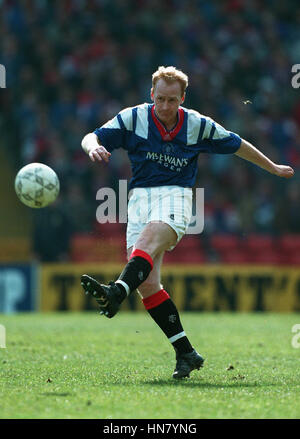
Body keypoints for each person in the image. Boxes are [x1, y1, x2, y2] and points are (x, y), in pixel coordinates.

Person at [80, 66, 294, 379]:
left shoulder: (197, 124)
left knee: (149, 242)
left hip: (176, 197)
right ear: (152, 94)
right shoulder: (133, 118)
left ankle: (116, 292)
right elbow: (92, 136)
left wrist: (272, 167)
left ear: (183, 98)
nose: (166, 106)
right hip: (138, 199)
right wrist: (93, 148)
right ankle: (186, 352)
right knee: (149, 285)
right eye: (161, 99)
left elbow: (237, 144)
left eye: (172, 100)